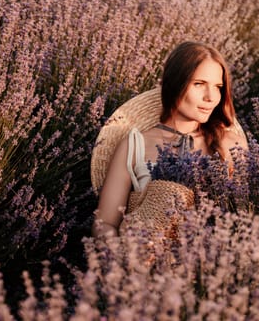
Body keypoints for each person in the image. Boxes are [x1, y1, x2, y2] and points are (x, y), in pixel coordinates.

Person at [92, 41, 248, 238]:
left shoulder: (231, 145)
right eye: (199, 84)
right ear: (175, 84)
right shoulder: (135, 145)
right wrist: (125, 257)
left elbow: (245, 218)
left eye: (218, 86)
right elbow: (104, 223)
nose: (211, 96)